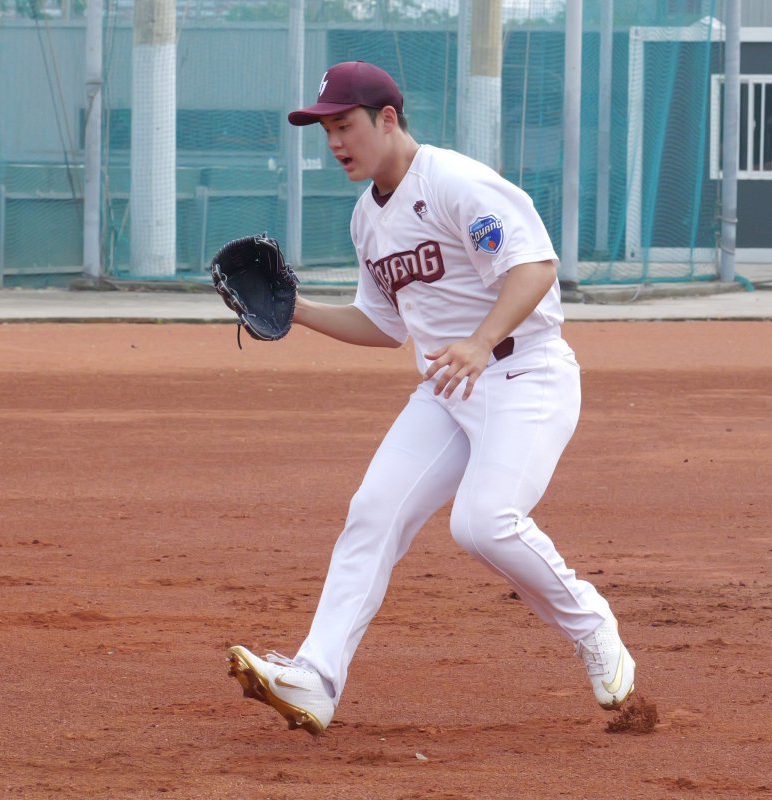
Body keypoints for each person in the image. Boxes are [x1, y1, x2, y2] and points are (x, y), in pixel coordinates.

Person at [226, 61, 634, 735]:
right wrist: (299, 312)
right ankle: (317, 679)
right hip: (447, 390)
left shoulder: (454, 182)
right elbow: (385, 326)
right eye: (326, 129)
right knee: (372, 512)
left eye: (345, 124)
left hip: (526, 375)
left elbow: (535, 265)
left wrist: (479, 339)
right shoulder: (367, 219)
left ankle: (591, 624)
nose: (334, 142)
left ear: (388, 118)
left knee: (482, 522)